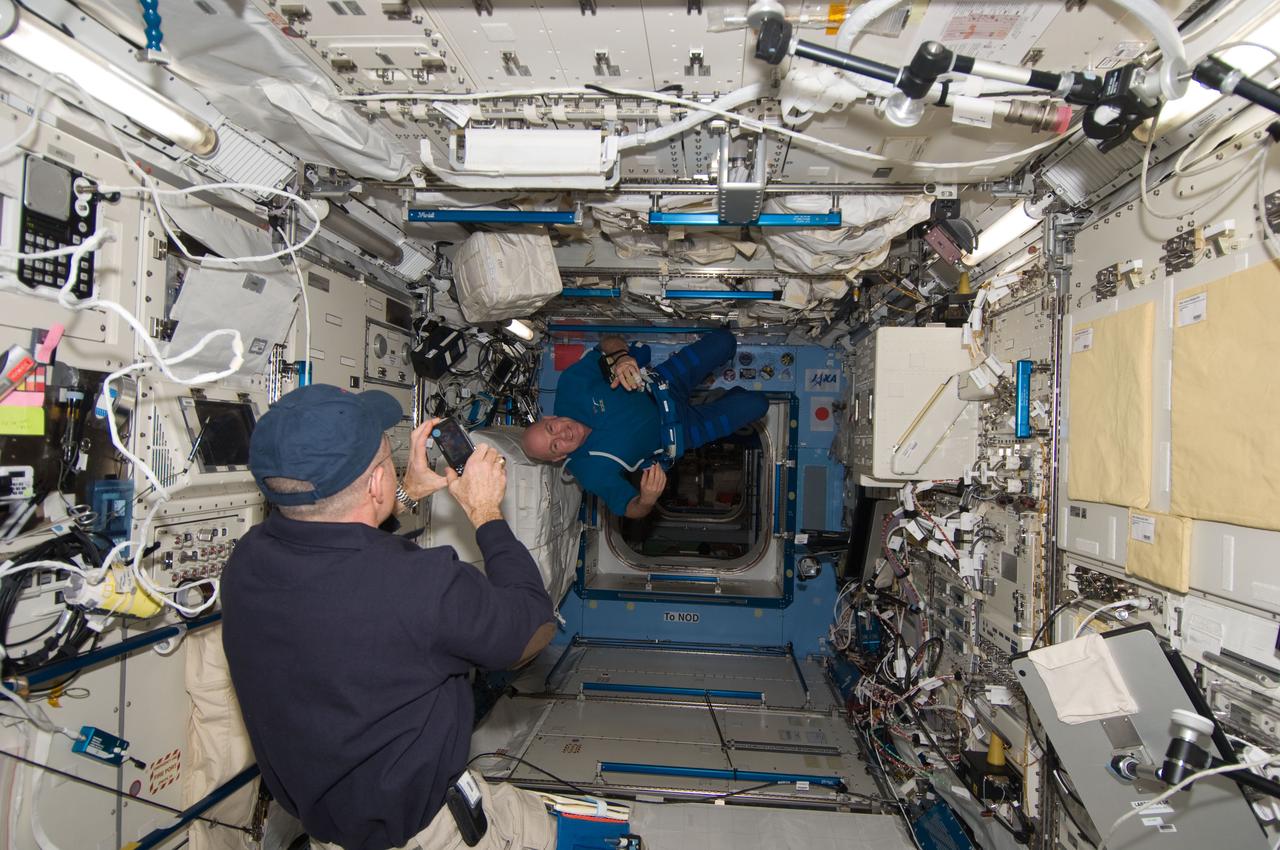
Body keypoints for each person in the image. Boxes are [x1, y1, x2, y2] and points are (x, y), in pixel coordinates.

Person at [221, 384, 557, 850]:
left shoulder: (245, 564)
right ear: (375, 483)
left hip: (331, 827)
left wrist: (404, 492)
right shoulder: (421, 586)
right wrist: (485, 513)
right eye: (387, 458)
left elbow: (340, 548)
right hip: (423, 835)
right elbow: (532, 629)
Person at [521, 328, 768, 519]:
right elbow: (629, 509)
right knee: (758, 405)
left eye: (551, 429)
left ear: (550, 419)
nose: (563, 435)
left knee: (725, 341)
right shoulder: (589, 472)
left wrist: (620, 357)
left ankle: (716, 397)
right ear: (557, 459)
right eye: (555, 446)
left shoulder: (571, 386)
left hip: (665, 382)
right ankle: (727, 401)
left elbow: (607, 342)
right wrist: (647, 500)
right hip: (681, 432)